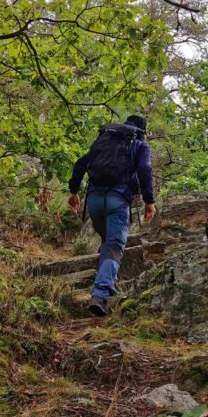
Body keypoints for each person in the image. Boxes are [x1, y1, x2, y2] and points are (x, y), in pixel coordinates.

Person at [68, 114, 157, 317]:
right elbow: (144, 168)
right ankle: (100, 295)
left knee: (108, 243)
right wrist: (149, 201)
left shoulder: (105, 140)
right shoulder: (139, 145)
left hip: (94, 200)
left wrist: (73, 192)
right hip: (118, 199)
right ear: (142, 131)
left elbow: (80, 164)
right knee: (115, 245)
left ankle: (111, 283)